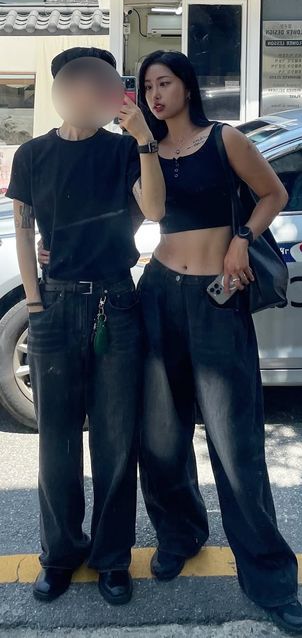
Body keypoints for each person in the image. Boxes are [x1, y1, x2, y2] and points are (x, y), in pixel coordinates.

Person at [136, 50, 302, 635]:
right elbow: (147, 212)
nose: (155, 94)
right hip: (159, 293)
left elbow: (273, 194)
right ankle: (179, 534)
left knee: (236, 445)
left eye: (164, 82)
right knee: (160, 435)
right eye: (147, 86)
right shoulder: (146, 150)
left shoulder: (224, 139)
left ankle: (271, 580)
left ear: (187, 86)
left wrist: (242, 237)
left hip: (216, 300)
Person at [7, 47, 165, 605]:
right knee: (56, 443)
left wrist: (144, 137)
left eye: (101, 85)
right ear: (61, 89)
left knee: (116, 440)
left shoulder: (124, 150)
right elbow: (23, 230)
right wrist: (34, 302)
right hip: (54, 305)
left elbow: (154, 210)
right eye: (79, 83)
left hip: (115, 304)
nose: (90, 93)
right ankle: (59, 554)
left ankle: (112, 558)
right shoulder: (32, 154)